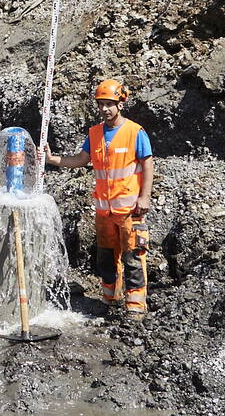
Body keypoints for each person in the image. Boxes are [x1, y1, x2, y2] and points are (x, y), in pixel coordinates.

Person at [44, 78, 155, 316]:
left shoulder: (134, 132)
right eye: (101, 104)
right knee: (105, 257)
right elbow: (81, 160)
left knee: (133, 257)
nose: (105, 109)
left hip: (130, 209)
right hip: (104, 211)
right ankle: (110, 298)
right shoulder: (94, 133)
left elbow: (148, 164)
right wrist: (53, 160)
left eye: (109, 104)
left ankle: (135, 307)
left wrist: (145, 197)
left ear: (121, 104)